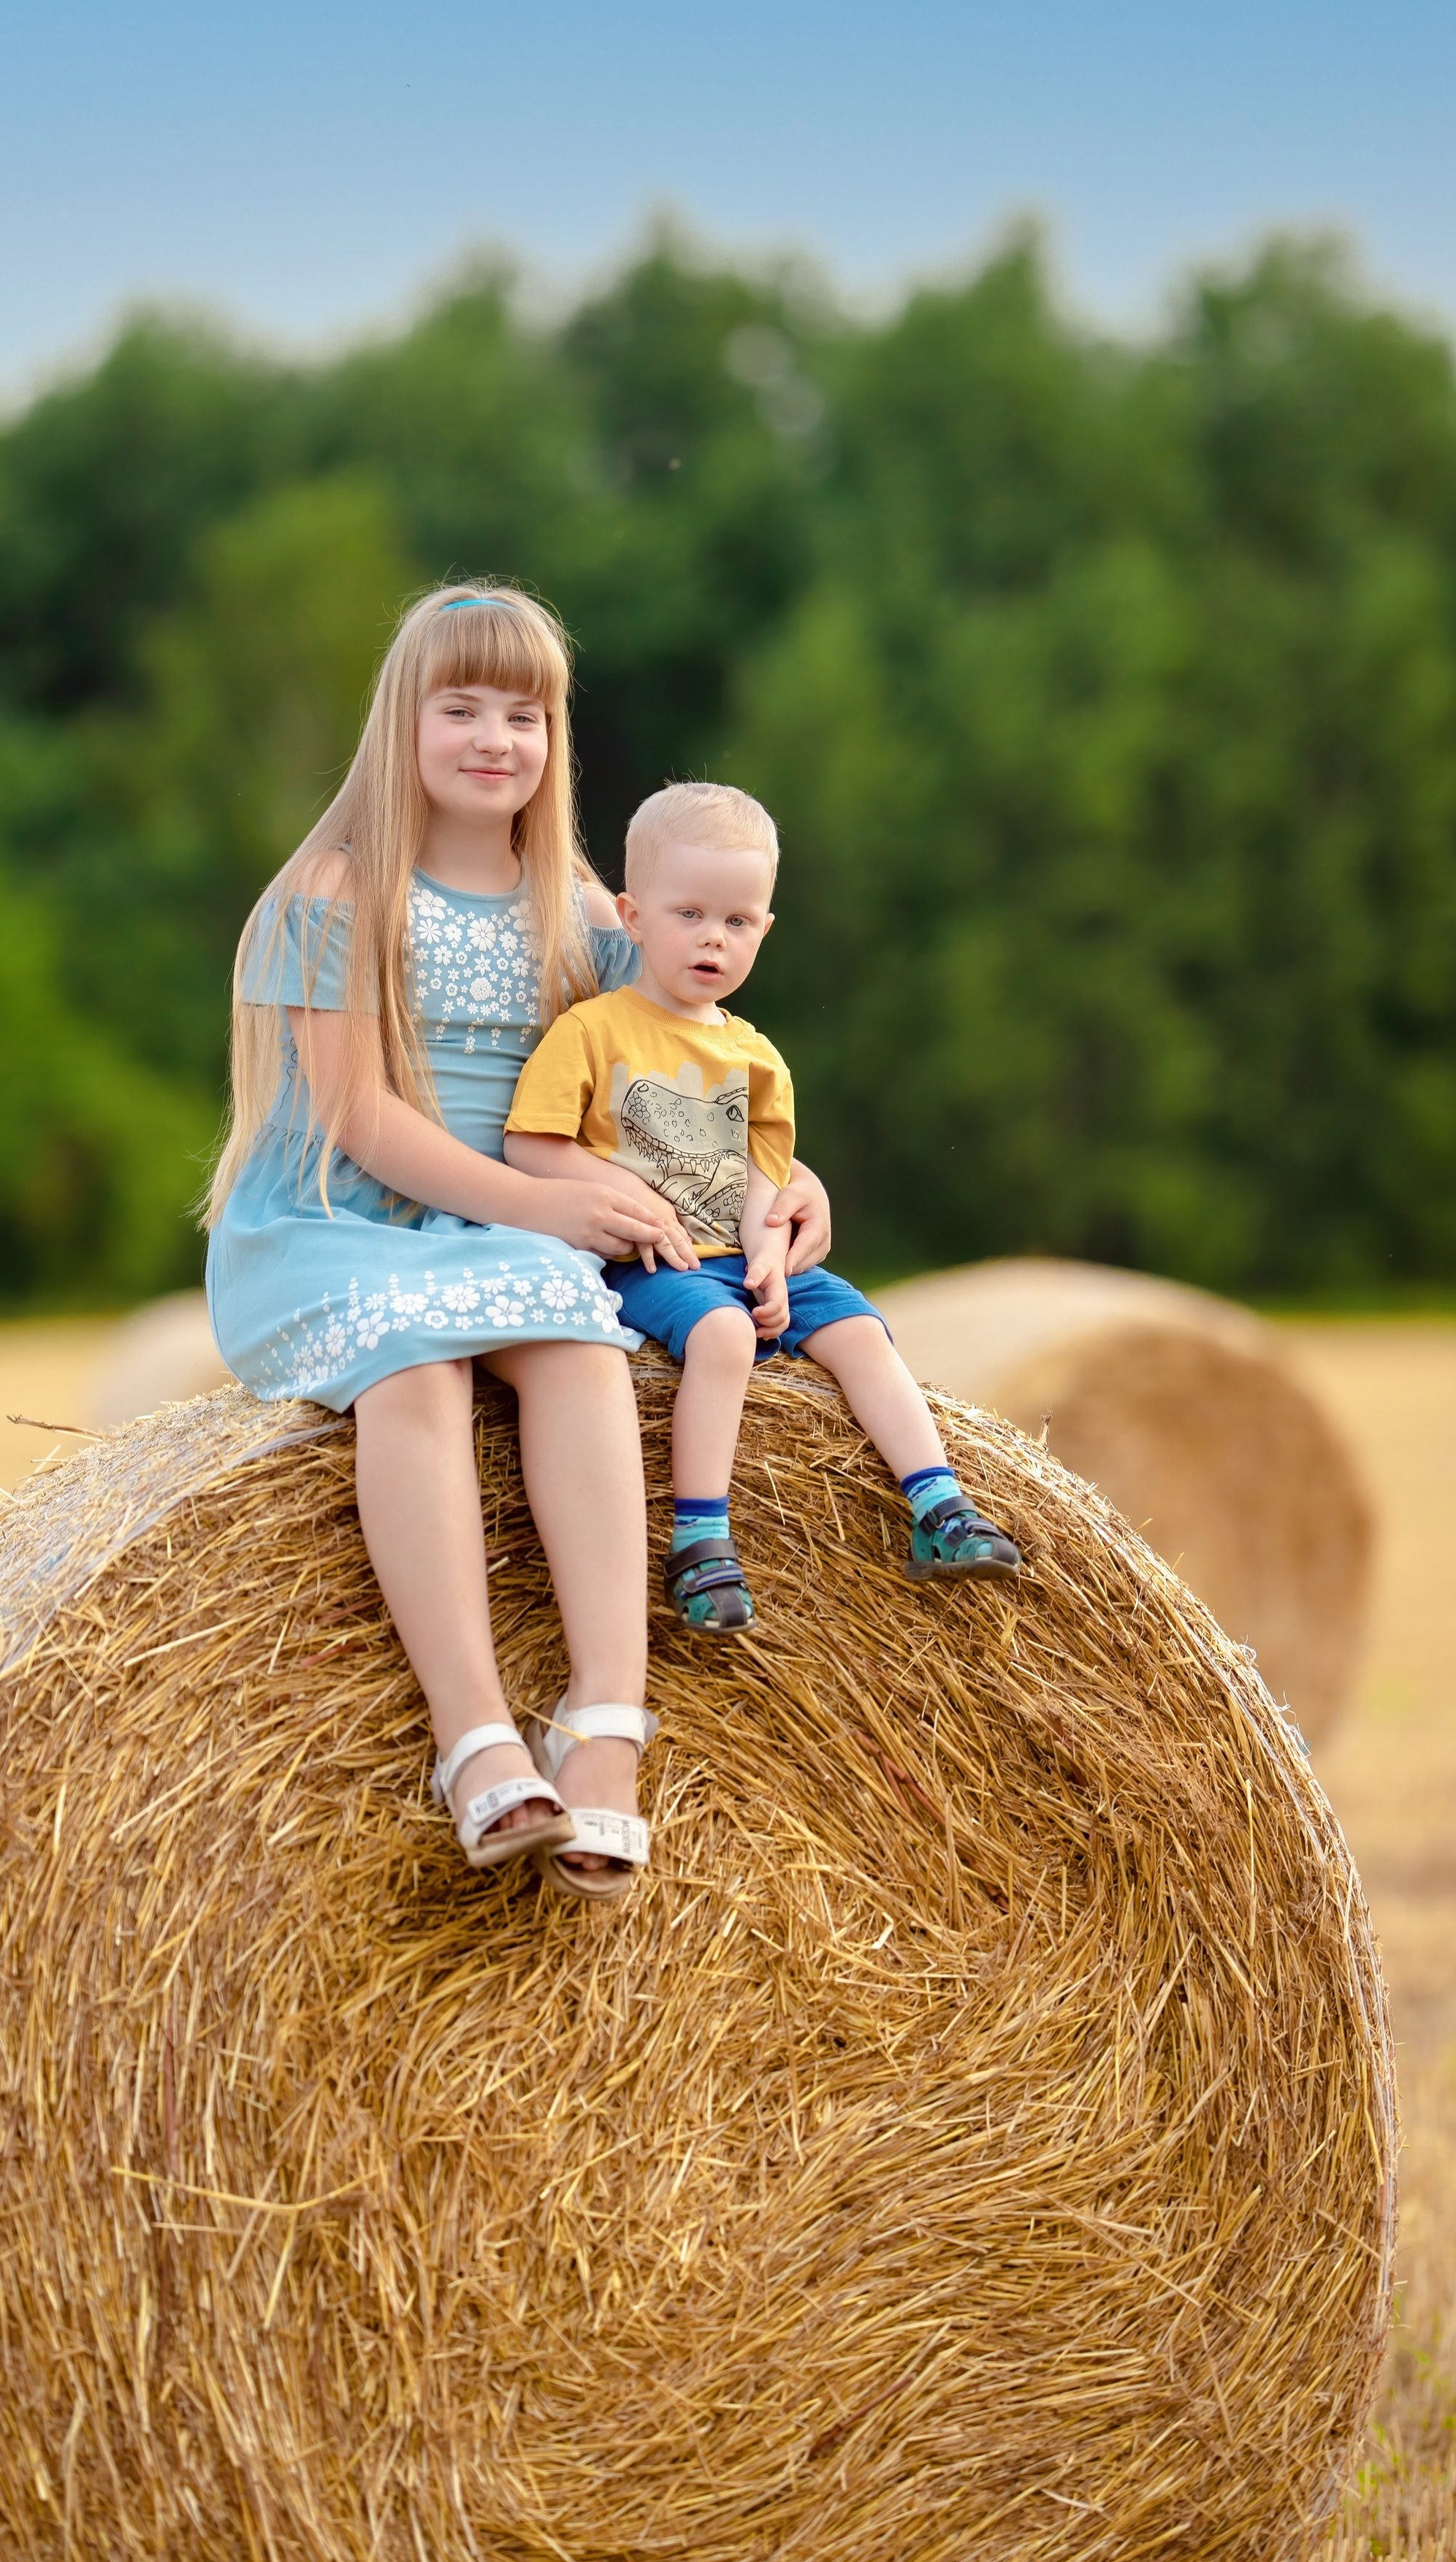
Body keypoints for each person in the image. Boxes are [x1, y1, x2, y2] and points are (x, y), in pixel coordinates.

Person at [204, 587, 834, 1898]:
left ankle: (607, 1723)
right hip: (344, 1223)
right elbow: (361, 1120)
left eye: (525, 712)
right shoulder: (335, 892)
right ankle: (476, 1742)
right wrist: (544, 1205)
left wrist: (787, 1186)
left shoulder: (593, 916)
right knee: (419, 1371)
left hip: (514, 1231)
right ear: (404, 723)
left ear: (554, 737)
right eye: (463, 708)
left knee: (581, 1355)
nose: (495, 737)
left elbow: (694, 1081)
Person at [503, 780, 1021, 1633]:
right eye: (689, 914)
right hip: (648, 1263)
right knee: (724, 1332)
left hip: (738, 1253)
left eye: (738, 921)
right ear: (632, 916)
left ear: (764, 930)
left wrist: (773, 1264)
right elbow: (530, 1146)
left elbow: (762, 1182)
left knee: (857, 1327)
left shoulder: (755, 1057)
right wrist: (621, 1192)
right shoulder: (594, 1031)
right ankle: (699, 1538)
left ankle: (939, 1506)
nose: (713, 937)